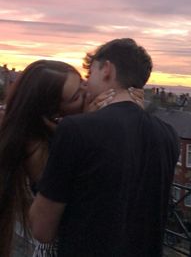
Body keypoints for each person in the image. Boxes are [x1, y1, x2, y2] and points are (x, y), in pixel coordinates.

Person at [30, 38, 180, 257]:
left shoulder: (76, 129)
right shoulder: (169, 135)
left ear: (107, 70)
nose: (87, 85)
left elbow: (42, 230)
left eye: (90, 75)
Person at [0, 59, 119, 257]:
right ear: (53, 114)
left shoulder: (54, 132)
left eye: (83, 84)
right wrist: (86, 125)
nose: (87, 94)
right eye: (75, 98)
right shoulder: (37, 149)